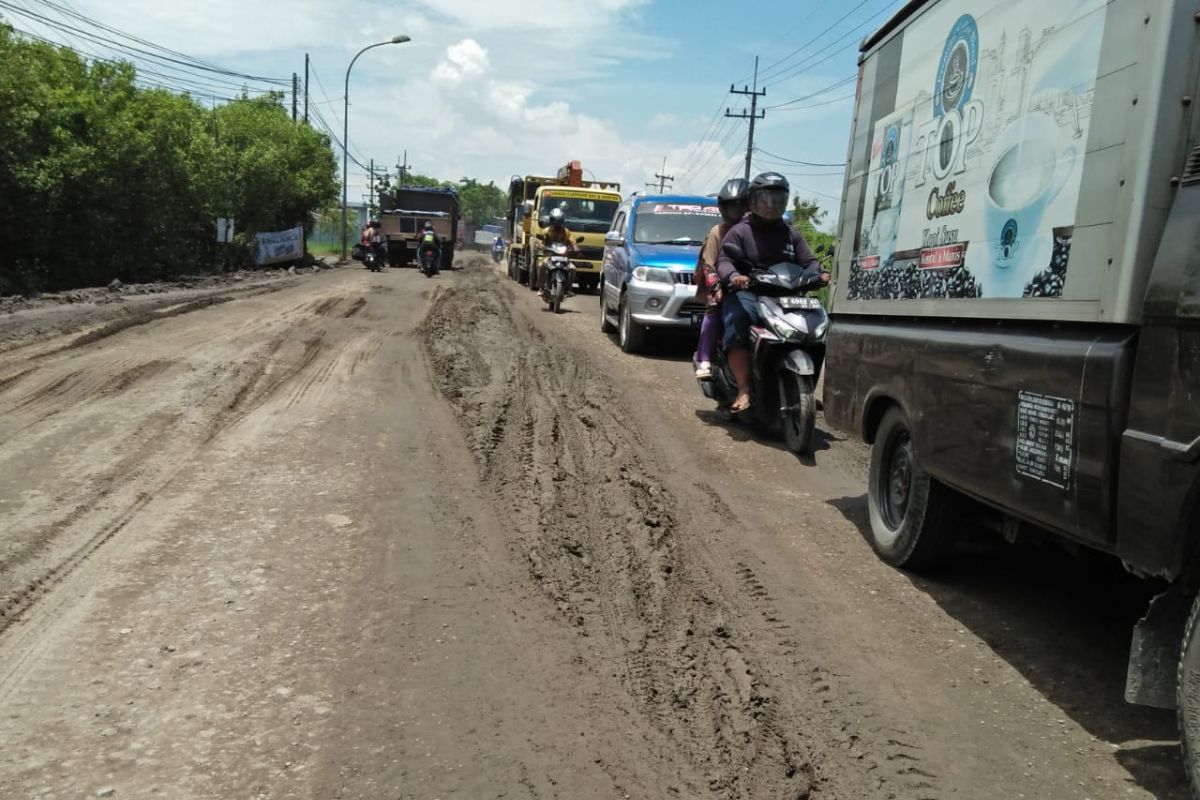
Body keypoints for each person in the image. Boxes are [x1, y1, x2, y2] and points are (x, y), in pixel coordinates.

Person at [715, 172, 830, 413]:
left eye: (777, 199)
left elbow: (809, 261)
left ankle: (803, 384)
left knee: (813, 327)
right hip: (751, 292)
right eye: (765, 199)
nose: (771, 205)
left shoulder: (791, 234)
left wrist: (819, 274)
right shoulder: (740, 231)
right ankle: (744, 389)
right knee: (739, 318)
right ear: (753, 201)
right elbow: (724, 260)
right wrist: (735, 277)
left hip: (785, 293)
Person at [693, 178, 749, 378]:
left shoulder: (755, 232)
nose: (740, 213)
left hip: (752, 286)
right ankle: (705, 359)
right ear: (724, 209)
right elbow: (709, 265)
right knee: (714, 312)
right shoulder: (718, 232)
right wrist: (716, 288)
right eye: (735, 208)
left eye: (743, 207)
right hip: (723, 285)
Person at [535, 207, 579, 292]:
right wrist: (541, 246)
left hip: (564, 258)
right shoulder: (546, 231)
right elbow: (542, 242)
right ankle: (541, 287)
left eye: (559, 221)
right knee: (541, 266)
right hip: (549, 256)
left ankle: (568, 288)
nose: (557, 224)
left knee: (573, 269)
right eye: (555, 221)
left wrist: (576, 248)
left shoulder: (567, 232)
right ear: (551, 220)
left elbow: (573, 242)